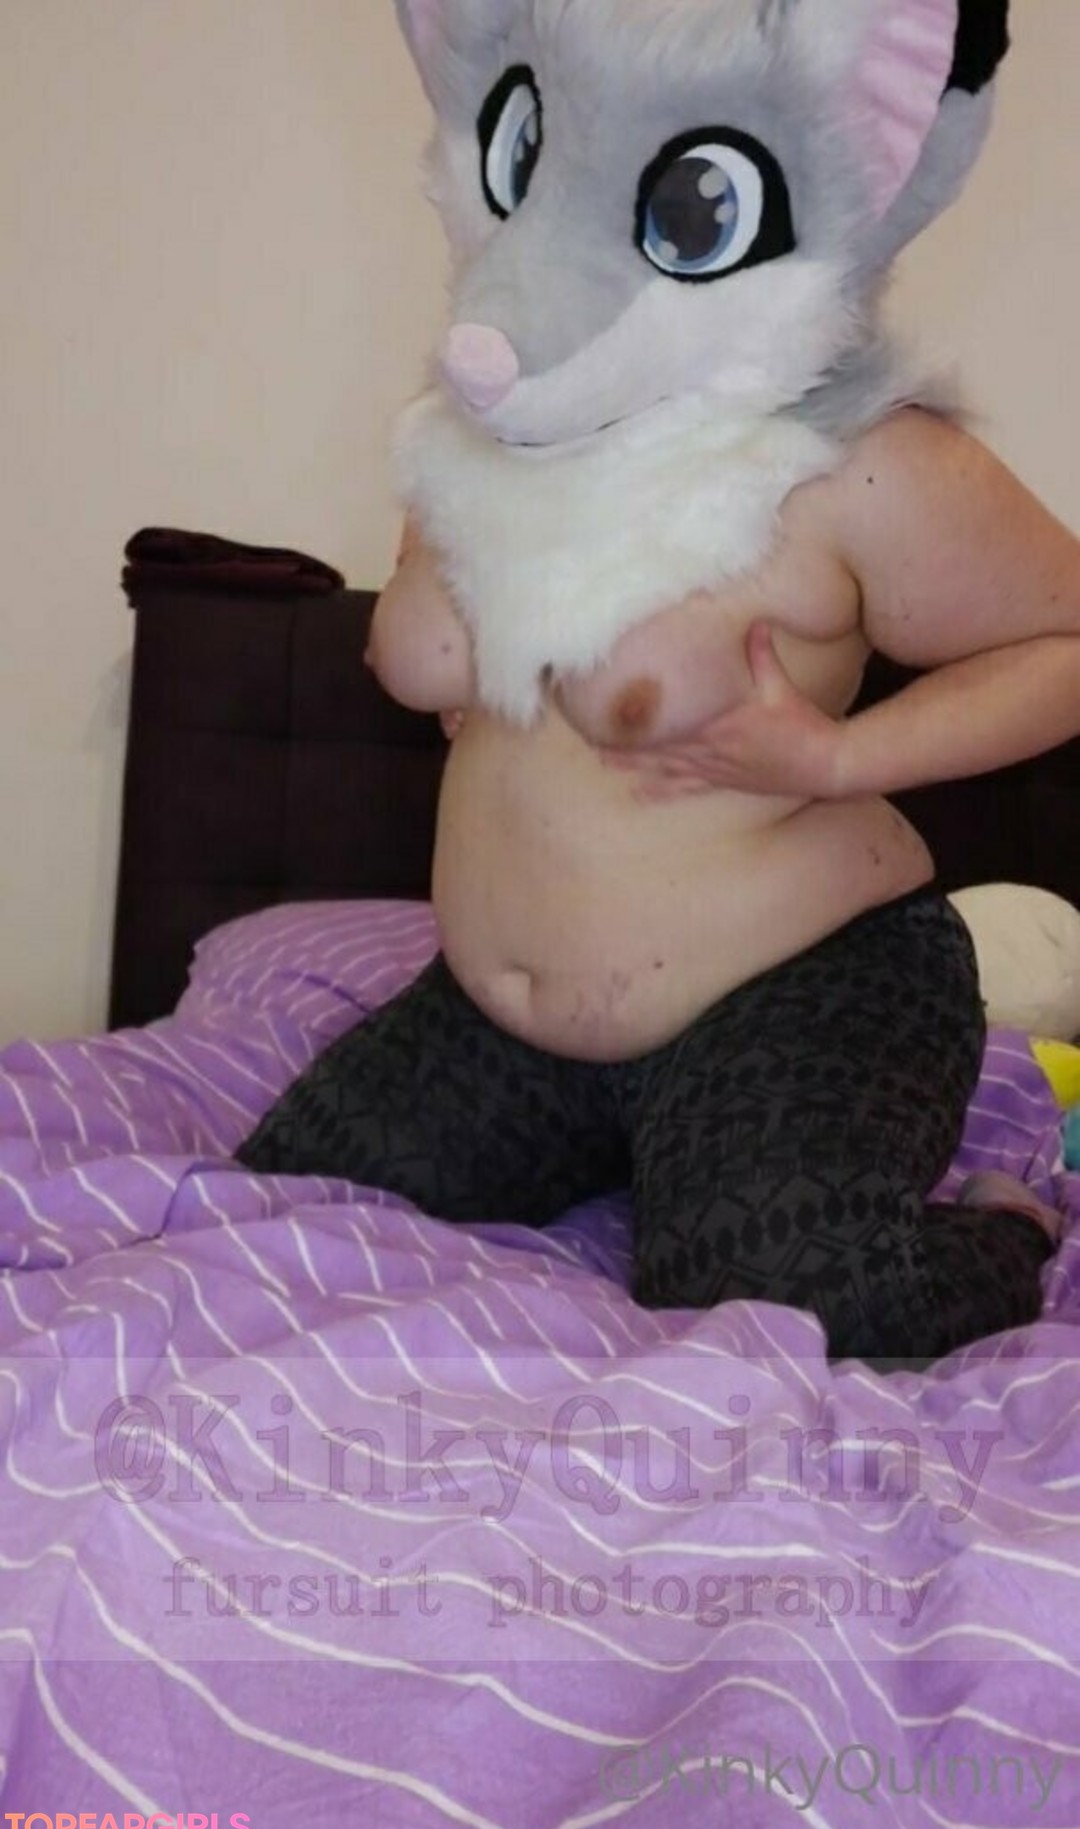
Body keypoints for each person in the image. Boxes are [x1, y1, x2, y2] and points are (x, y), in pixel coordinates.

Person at [236, 403, 1079, 1367]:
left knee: (786, 1302)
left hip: (800, 980)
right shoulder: (493, 416)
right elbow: (436, 651)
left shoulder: (852, 445)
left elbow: (1066, 639)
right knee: (286, 1201)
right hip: (521, 1026)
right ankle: (655, 1145)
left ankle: (1007, 1228)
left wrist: (841, 756)